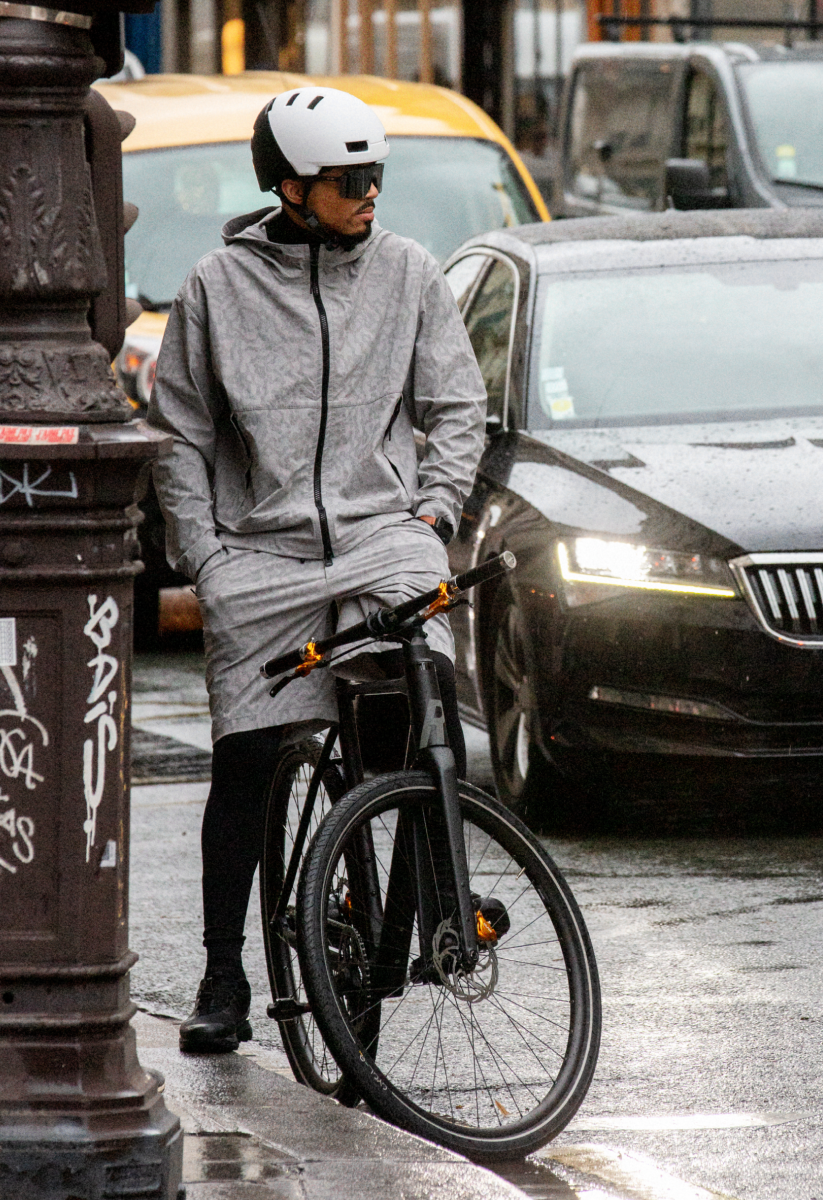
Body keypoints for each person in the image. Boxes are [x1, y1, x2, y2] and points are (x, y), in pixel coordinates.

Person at [147, 86, 486, 1054]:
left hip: (384, 532)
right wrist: (205, 556)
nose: (370, 193)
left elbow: (456, 407)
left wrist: (434, 510)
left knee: (425, 704)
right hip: (259, 553)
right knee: (246, 762)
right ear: (291, 188)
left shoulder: (411, 272)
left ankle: (426, 912)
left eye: (375, 175)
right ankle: (223, 975)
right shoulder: (218, 284)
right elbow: (180, 434)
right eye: (348, 180)